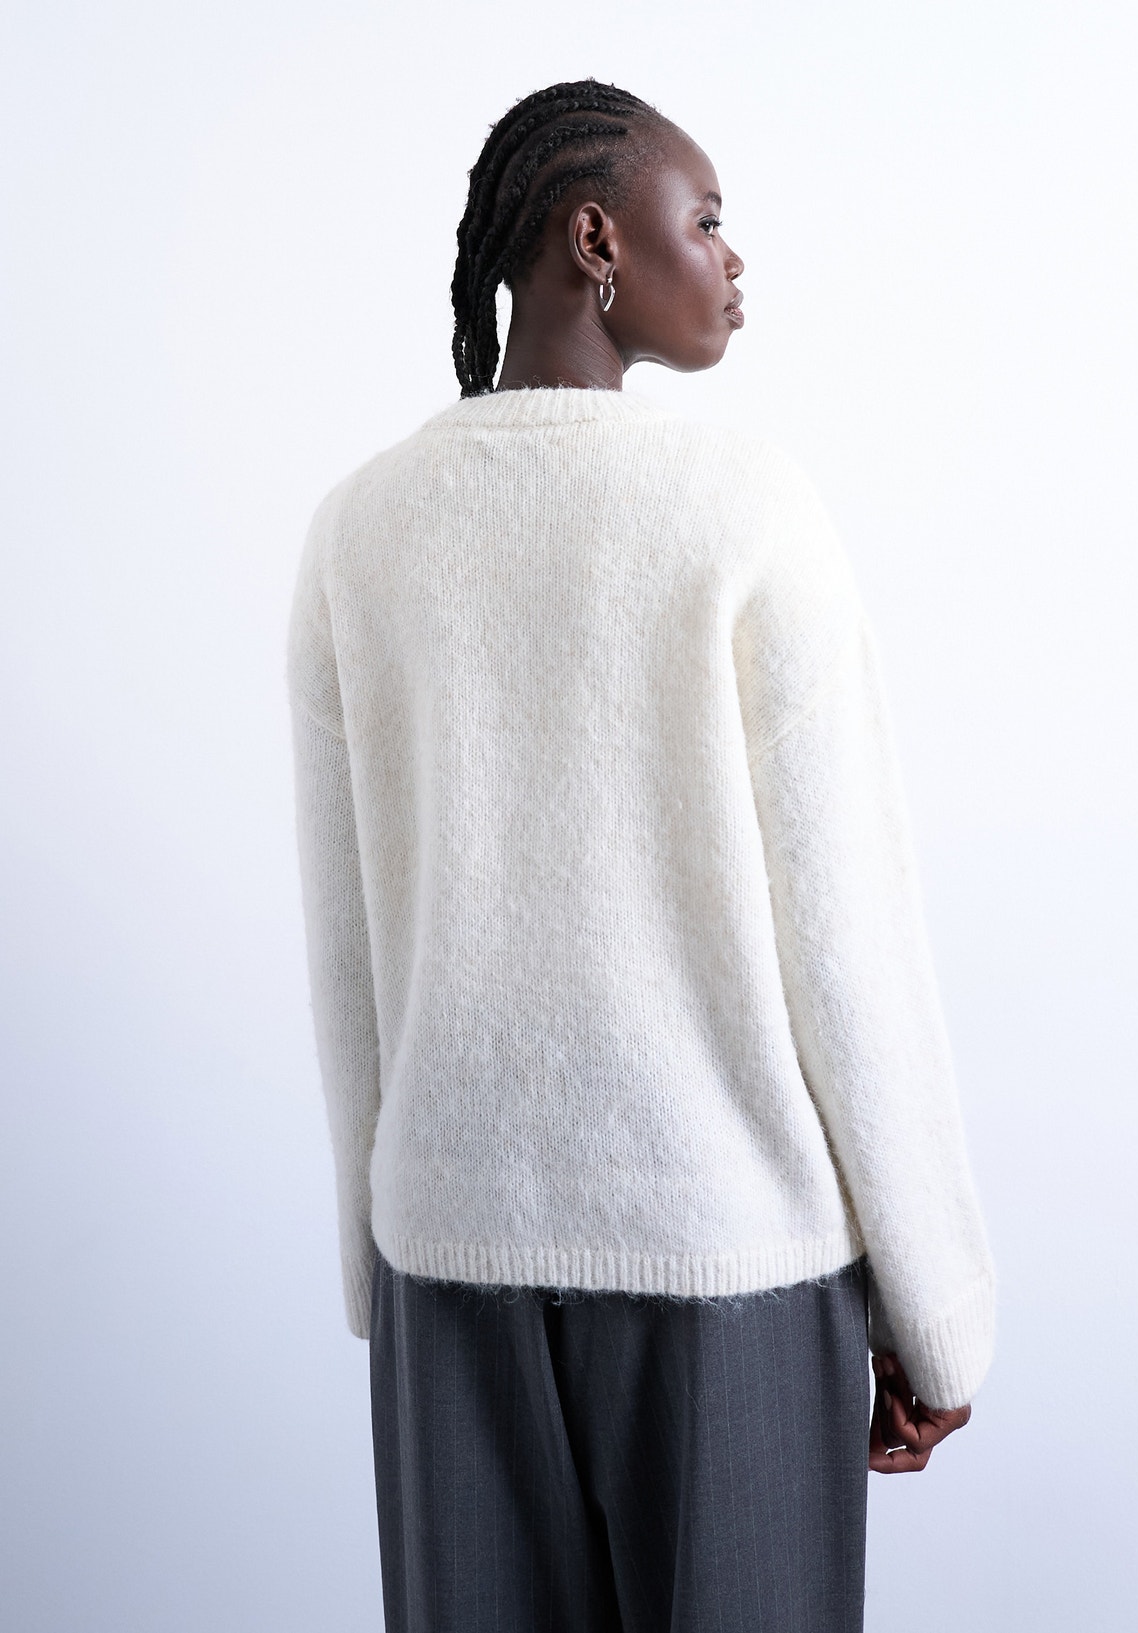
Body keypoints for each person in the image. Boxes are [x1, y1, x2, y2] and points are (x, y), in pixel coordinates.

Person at [287, 78, 996, 1633]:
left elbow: (348, 953)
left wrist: (375, 1265)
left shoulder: (360, 529)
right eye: (708, 219)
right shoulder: (744, 508)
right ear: (596, 238)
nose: (734, 260)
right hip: (724, 1261)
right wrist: (936, 1303)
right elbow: (848, 938)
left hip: (447, 1265)